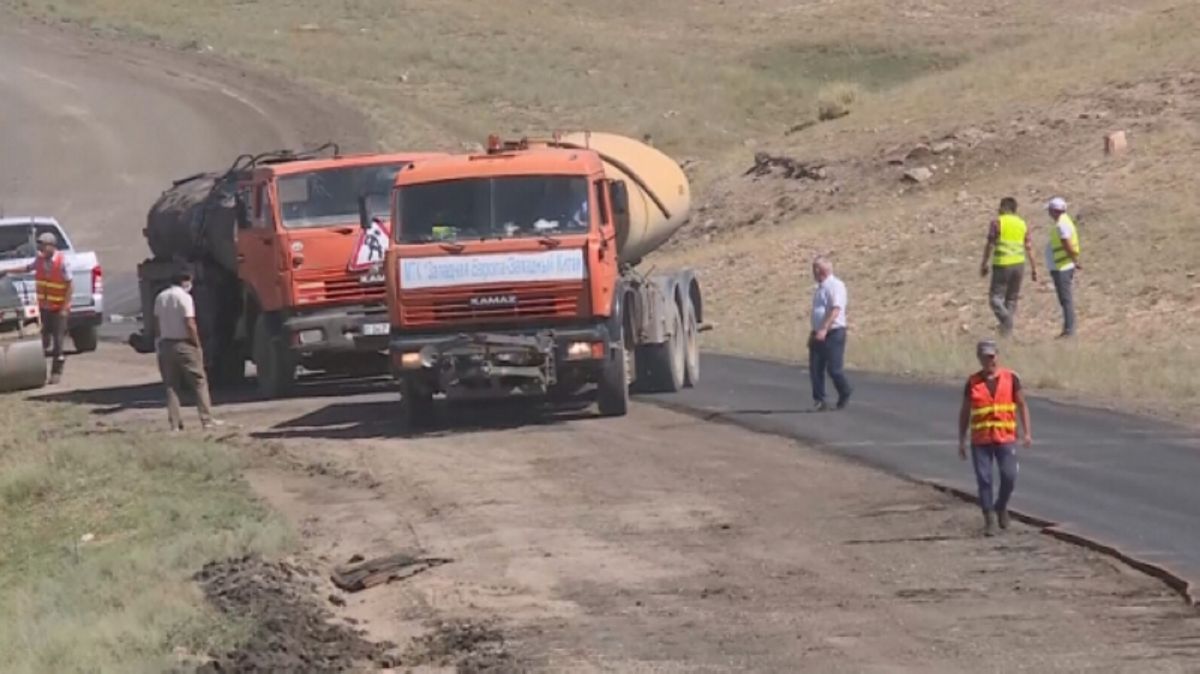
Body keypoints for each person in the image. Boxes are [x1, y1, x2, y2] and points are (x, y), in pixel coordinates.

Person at [958, 339, 1033, 536]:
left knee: (1009, 476)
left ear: (997, 356)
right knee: (984, 479)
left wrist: (1027, 433)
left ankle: (1001, 505)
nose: (989, 360)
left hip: (1005, 437)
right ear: (979, 358)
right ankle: (989, 518)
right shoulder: (972, 382)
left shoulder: (1011, 378)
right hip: (980, 440)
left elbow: (1022, 405)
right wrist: (961, 440)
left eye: (992, 356)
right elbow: (965, 412)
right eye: (985, 357)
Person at [0, 231, 73, 384]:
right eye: (40, 245)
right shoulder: (39, 260)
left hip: (59, 308)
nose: (40, 248)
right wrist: (8, 270)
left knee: (58, 341)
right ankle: (40, 368)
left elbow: (70, 285)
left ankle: (56, 372)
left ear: (52, 246)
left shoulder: (62, 262)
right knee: (44, 338)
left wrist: (65, 307)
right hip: (45, 307)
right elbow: (27, 268)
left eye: (43, 245)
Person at [154, 268, 220, 430]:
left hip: (166, 344)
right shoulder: (185, 298)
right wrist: (197, 344)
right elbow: (190, 323)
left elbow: (156, 322)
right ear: (184, 281)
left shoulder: (160, 297)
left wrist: (159, 342)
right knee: (199, 382)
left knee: (171, 385)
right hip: (184, 344)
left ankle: (175, 424)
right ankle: (206, 419)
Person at [979, 197, 1037, 336]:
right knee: (1011, 299)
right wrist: (1034, 268)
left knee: (995, 298)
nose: (998, 209)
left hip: (1002, 263)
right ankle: (1006, 335)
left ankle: (1007, 321)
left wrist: (984, 263)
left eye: (1000, 207)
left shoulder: (997, 222)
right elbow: (1029, 247)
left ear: (1005, 208)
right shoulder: (1023, 224)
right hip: (1019, 264)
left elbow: (990, 244)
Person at [808, 256, 852, 411]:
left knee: (834, 369)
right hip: (817, 332)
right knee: (815, 368)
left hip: (833, 332)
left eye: (815, 268)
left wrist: (824, 328)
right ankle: (820, 400)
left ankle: (845, 391)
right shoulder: (819, 288)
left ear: (822, 270)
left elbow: (836, 309)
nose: (813, 272)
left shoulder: (835, 285)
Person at [1045, 196, 1081, 337]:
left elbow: (1066, 243)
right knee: (1064, 299)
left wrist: (1074, 259)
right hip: (1061, 265)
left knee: (1066, 299)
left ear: (1054, 211)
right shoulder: (1064, 222)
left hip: (1062, 267)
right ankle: (1068, 328)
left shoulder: (1062, 224)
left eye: (1049, 210)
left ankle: (1069, 331)